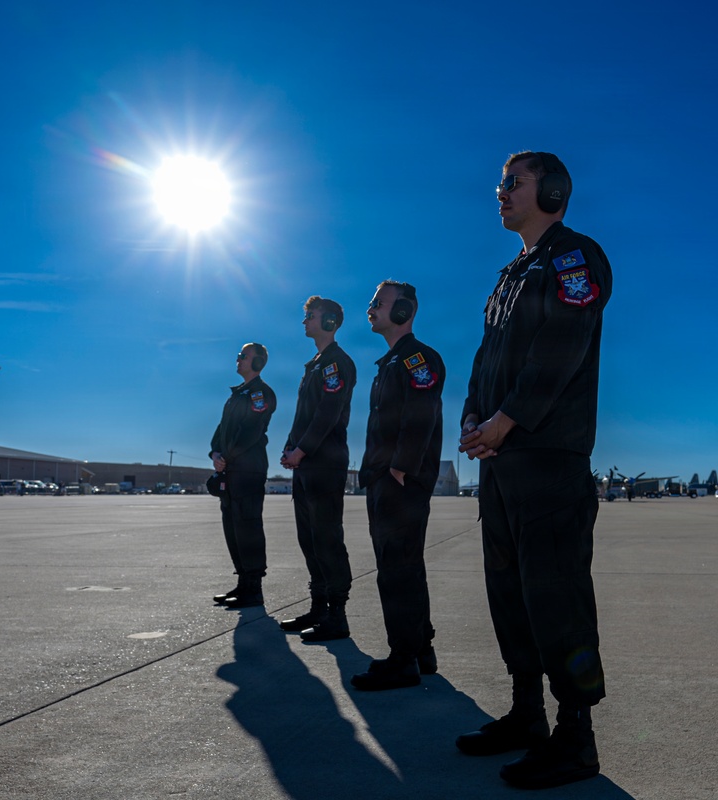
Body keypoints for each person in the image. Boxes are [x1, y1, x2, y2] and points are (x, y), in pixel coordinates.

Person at [457, 151, 613, 789]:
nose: (499, 193)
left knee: (556, 598)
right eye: (500, 182)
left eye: (511, 183)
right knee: (510, 595)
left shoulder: (576, 258)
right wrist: (475, 421)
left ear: (550, 190)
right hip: (502, 462)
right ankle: (526, 715)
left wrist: (509, 420)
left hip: (548, 459)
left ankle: (575, 737)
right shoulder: (510, 275)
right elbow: (486, 356)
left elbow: (561, 347)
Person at [351, 280, 445, 691]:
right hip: (385, 478)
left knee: (396, 570)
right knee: (405, 567)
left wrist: (400, 468)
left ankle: (403, 658)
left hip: (399, 482)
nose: (371, 308)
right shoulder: (389, 362)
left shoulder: (418, 358)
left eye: (380, 302)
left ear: (404, 311)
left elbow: (421, 412)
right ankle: (420, 650)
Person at [278, 296, 357, 642]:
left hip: (324, 463)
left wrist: (303, 449)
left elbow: (328, 412)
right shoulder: (315, 364)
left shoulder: (336, 363)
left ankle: (337, 616)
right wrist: (289, 447)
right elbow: (303, 416)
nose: (304, 321)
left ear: (329, 322)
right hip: (306, 464)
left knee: (327, 539)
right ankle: (318, 608)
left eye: (310, 316)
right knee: (309, 539)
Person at [209, 342, 277, 609]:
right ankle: (242, 583)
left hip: (247, 470)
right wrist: (215, 453)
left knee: (248, 527)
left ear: (258, 363)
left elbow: (251, 431)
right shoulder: (237, 394)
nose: (237, 359)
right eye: (238, 355)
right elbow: (221, 429)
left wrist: (226, 456)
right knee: (233, 528)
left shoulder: (261, 393)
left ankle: (254, 589)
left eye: (243, 356)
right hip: (230, 468)